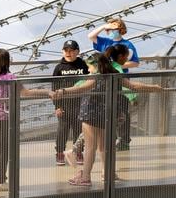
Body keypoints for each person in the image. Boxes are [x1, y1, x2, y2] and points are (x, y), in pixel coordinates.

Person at [51, 46, 162, 187]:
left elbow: (80, 88)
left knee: (90, 147)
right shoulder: (114, 75)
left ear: (95, 66)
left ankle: (85, 178)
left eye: (89, 67)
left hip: (90, 115)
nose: (88, 70)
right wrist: (155, 88)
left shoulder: (95, 76)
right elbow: (134, 86)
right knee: (103, 147)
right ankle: (108, 174)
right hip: (107, 115)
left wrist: (63, 91)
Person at [0, 50, 50, 192]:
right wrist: (46, 92)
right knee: (2, 150)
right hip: (1, 117)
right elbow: (26, 93)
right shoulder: (9, 77)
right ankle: (0, 181)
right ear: (4, 62)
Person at [88, 19, 140, 151]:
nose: (111, 30)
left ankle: (123, 140)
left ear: (121, 29)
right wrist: (104, 26)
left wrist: (116, 65)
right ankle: (108, 138)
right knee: (105, 111)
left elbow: (135, 63)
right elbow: (91, 36)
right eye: (109, 29)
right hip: (104, 83)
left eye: (114, 28)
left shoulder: (127, 45)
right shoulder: (106, 42)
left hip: (120, 81)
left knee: (122, 110)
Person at [52, 40, 88, 166]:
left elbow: (89, 83)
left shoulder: (83, 65)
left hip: (81, 104)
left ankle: (78, 152)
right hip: (64, 105)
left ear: (77, 52)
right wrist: (57, 106)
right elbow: (54, 89)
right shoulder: (59, 68)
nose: (69, 53)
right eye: (66, 50)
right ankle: (60, 153)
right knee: (62, 131)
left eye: (72, 50)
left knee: (79, 130)